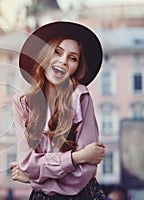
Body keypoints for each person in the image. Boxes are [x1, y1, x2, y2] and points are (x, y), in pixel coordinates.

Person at [10, 21, 106, 199]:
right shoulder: (22, 103)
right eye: (58, 52)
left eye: (72, 58)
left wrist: (36, 180)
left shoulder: (80, 97)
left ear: (77, 66)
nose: (63, 61)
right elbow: (26, 163)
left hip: (81, 195)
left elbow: (85, 172)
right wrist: (76, 158)